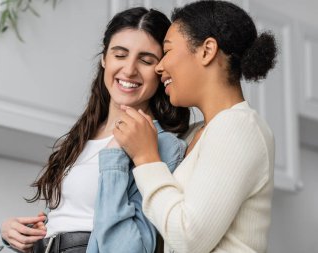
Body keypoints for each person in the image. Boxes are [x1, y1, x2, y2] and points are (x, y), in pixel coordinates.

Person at [0, 7, 190, 253]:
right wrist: (14, 232)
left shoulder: (163, 146)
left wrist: (114, 161)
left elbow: (129, 249)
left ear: (160, 69)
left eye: (145, 60)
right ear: (104, 59)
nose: (130, 69)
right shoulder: (82, 135)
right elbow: (71, 217)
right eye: (120, 55)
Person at [112, 1, 277, 253]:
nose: (159, 66)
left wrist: (145, 157)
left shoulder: (238, 126)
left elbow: (189, 237)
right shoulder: (195, 134)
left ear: (206, 50)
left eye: (167, 51)